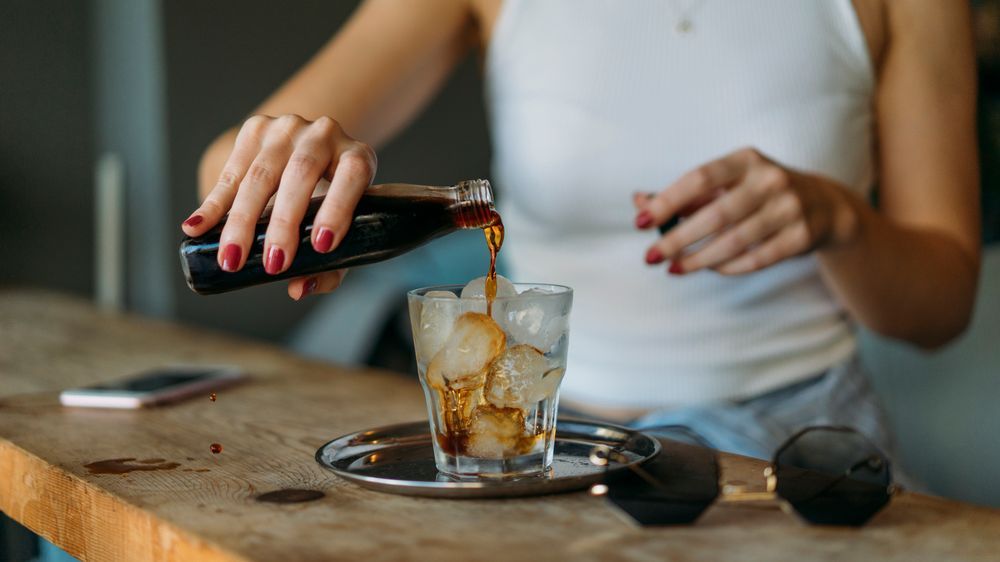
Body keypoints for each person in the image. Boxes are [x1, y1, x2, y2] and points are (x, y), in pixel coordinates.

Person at [183, 0, 980, 467]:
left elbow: (941, 306)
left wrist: (837, 220)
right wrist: (286, 165)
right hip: (546, 442)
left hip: (802, 445)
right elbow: (225, 166)